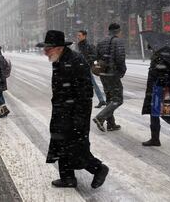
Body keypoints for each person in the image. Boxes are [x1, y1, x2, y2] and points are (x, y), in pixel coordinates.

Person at [37, 30, 108, 189]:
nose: (45, 52)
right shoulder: (59, 59)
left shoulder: (76, 60)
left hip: (74, 112)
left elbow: (85, 93)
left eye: (48, 49)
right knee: (61, 142)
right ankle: (67, 178)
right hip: (62, 110)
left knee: (76, 147)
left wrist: (78, 118)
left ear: (59, 47)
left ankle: (99, 169)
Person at [93, 23, 126, 132]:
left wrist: (101, 66)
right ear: (118, 30)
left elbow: (96, 57)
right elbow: (120, 59)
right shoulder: (118, 41)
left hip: (103, 74)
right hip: (113, 74)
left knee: (109, 98)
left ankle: (111, 124)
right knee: (118, 99)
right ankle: (100, 117)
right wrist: (122, 71)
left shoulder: (101, 41)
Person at [76, 30, 106, 108]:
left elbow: (95, 55)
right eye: (78, 35)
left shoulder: (88, 45)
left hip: (86, 67)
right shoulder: (80, 45)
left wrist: (87, 61)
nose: (78, 37)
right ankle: (101, 100)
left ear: (84, 36)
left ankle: (101, 100)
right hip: (81, 66)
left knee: (91, 84)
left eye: (79, 35)